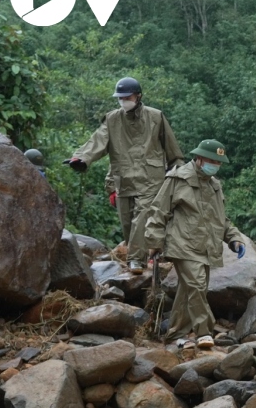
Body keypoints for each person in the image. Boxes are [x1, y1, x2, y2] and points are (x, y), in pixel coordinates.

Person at [65, 77, 184, 273]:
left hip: (151, 180)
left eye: (127, 97)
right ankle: (141, 257)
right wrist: (81, 158)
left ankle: (136, 260)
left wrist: (177, 173)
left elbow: (173, 150)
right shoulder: (112, 119)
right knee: (128, 225)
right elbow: (98, 140)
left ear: (138, 96)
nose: (123, 101)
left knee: (142, 219)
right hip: (123, 180)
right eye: (120, 98)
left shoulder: (156, 117)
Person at [144, 140, 246, 351]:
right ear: (198, 158)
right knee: (197, 286)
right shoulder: (178, 178)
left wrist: (234, 239)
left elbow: (221, 220)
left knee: (187, 291)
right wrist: (153, 241)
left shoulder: (214, 185)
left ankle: (175, 335)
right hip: (182, 243)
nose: (214, 165)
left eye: (218, 162)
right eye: (211, 160)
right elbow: (159, 210)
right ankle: (204, 332)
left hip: (206, 246)